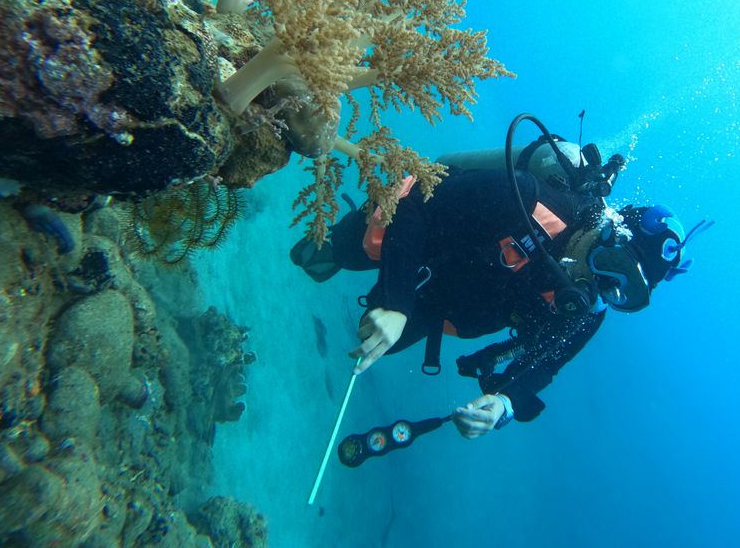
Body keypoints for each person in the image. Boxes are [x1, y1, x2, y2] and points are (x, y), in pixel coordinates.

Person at [292, 119, 711, 440]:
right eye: (613, 263)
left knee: (372, 342)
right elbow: (418, 202)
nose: (603, 283)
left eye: (624, 291)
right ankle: (334, 249)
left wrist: (503, 404)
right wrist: (396, 302)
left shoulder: (587, 310)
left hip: (441, 304)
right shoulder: (531, 198)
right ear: (608, 233)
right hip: (415, 237)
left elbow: (546, 364)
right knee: (330, 253)